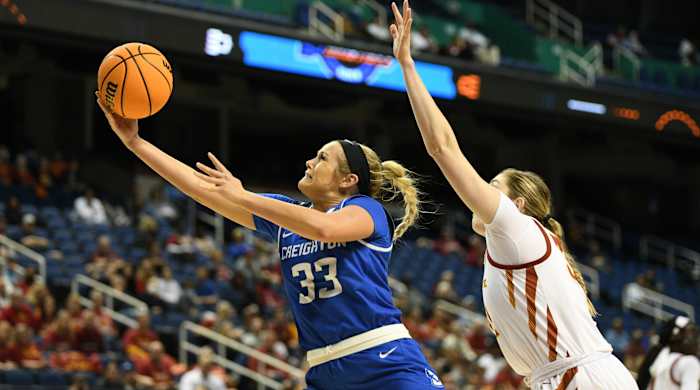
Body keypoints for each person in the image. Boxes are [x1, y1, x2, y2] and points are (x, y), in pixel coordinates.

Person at [96, 90, 444, 389]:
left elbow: (323, 229)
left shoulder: (366, 210)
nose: (309, 161)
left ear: (347, 180)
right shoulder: (286, 217)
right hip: (324, 369)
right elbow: (203, 190)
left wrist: (244, 196)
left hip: (384, 358)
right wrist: (134, 142)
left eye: (322, 158)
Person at [389, 1, 637, 389]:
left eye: (493, 188)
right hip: (564, 377)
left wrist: (407, 66)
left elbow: (442, 148)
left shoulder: (516, 229)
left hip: (581, 378)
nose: (483, 194)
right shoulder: (517, 247)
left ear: (517, 205)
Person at [637, 316, 699, 390]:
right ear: (676, 336)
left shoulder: (661, 357)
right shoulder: (689, 362)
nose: (695, 339)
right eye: (691, 333)